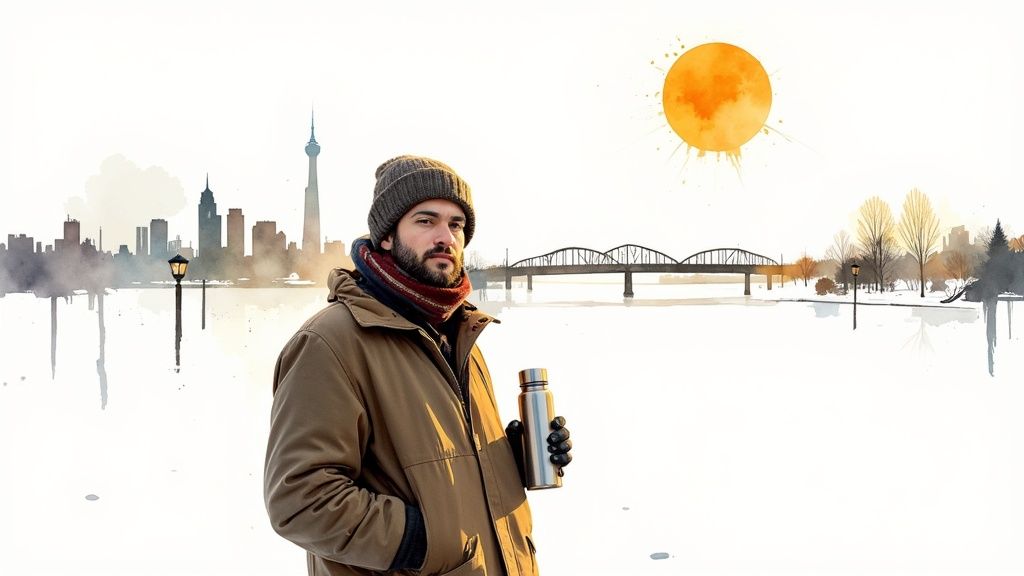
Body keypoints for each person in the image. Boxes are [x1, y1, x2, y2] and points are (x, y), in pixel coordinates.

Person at [264, 155, 572, 576]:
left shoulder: (459, 334)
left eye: (457, 224)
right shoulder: (329, 343)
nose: (445, 237)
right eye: (425, 221)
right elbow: (300, 500)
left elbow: (439, 462)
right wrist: (424, 540)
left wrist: (513, 458)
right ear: (387, 236)